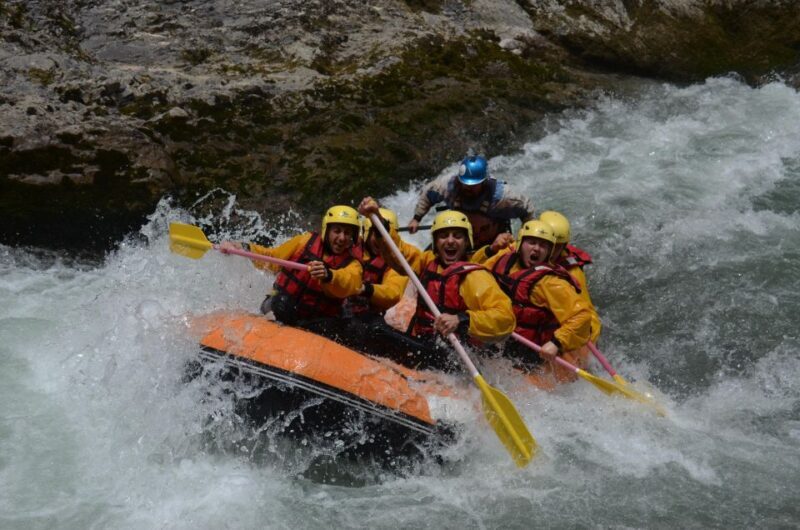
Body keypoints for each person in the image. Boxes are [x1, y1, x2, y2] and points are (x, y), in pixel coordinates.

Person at [359, 197, 515, 372]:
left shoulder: (474, 276)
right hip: (425, 344)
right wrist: (377, 219)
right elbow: (397, 252)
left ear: (467, 242)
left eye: (457, 236)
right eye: (443, 236)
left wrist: (461, 319)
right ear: (435, 241)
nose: (450, 241)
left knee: (376, 331)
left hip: (456, 358)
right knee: (374, 327)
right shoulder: (427, 262)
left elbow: (505, 317)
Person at [478, 220, 592, 382]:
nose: (537, 249)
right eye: (532, 242)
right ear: (520, 244)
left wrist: (556, 343)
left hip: (532, 354)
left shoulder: (550, 283)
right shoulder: (502, 260)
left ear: (549, 252)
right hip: (500, 340)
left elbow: (582, 316)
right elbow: (476, 272)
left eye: (543, 245)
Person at [218, 205, 363, 332]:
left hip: (314, 321)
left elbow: (349, 283)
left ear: (353, 237)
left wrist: (329, 275)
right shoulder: (304, 242)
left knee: (340, 326)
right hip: (280, 305)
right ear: (327, 230)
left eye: (347, 233)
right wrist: (242, 247)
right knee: (283, 303)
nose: (342, 237)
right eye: (337, 231)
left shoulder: (353, 264)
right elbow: (272, 258)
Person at [406, 153, 535, 248]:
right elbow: (428, 194)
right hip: (460, 244)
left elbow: (527, 209)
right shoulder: (448, 186)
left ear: (484, 182)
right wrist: (417, 218)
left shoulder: (503, 197)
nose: (468, 187)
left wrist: (524, 239)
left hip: (493, 244)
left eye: (473, 185)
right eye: (465, 183)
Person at [538, 210, 602, 343]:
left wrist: (588, 336)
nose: (552, 251)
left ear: (563, 247)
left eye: (557, 247)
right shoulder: (521, 249)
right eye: (548, 244)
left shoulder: (572, 273)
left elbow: (588, 313)